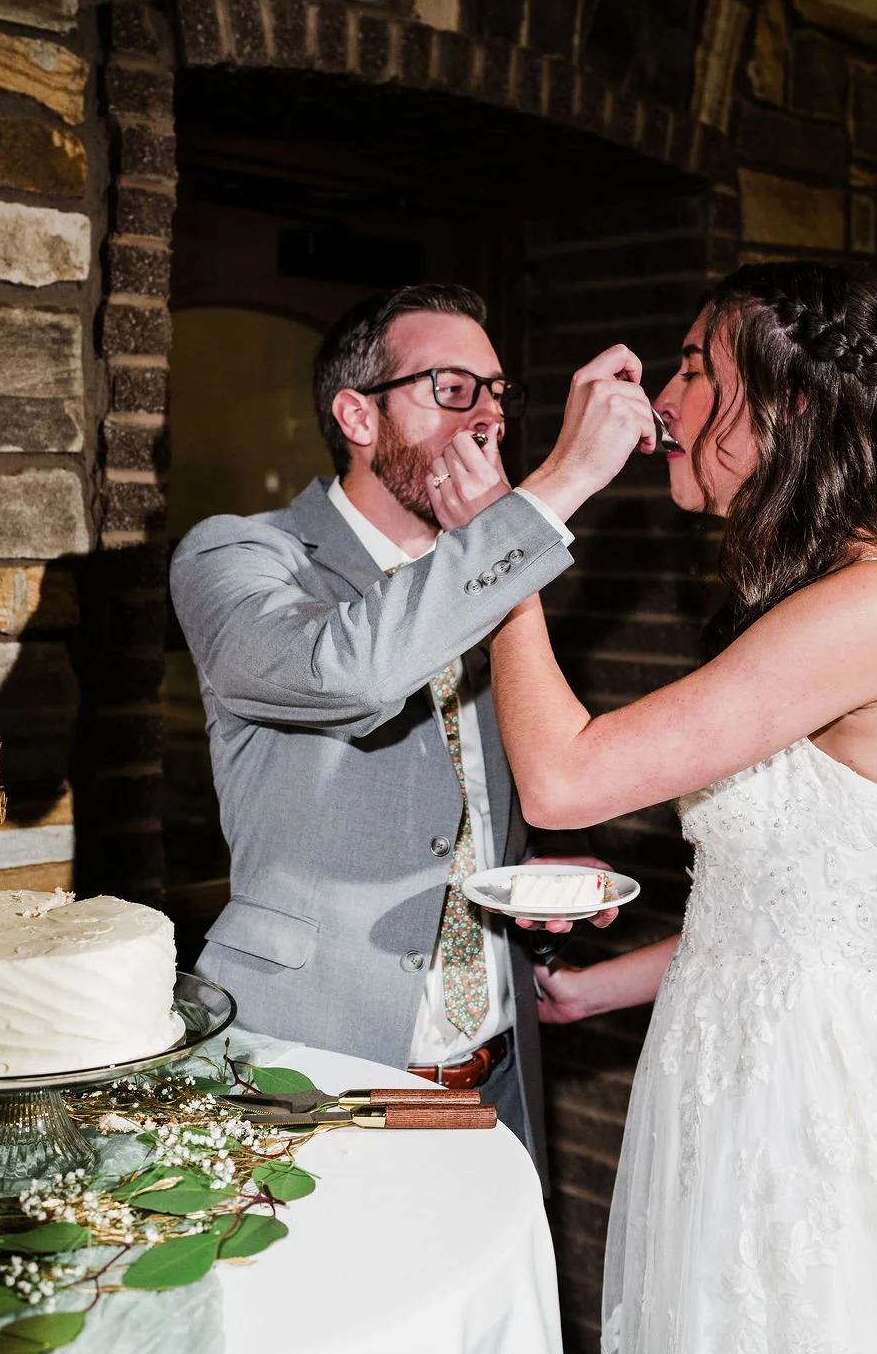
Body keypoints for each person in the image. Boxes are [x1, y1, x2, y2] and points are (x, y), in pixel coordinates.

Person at [430, 260, 877, 1354]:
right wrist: (583, 990)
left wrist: (498, 546)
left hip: (800, 1111)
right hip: (735, 1069)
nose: (663, 401)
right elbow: (785, 914)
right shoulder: (822, 595)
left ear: (792, 410)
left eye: (694, 369)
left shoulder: (869, 605)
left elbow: (561, 774)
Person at [169, 283, 615, 1178]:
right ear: (356, 415)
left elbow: (478, 799)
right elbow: (351, 670)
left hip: (498, 1078)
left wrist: (530, 878)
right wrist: (557, 485)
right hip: (311, 1071)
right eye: (454, 389)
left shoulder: (494, 574)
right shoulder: (239, 554)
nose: (489, 420)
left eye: (497, 394)